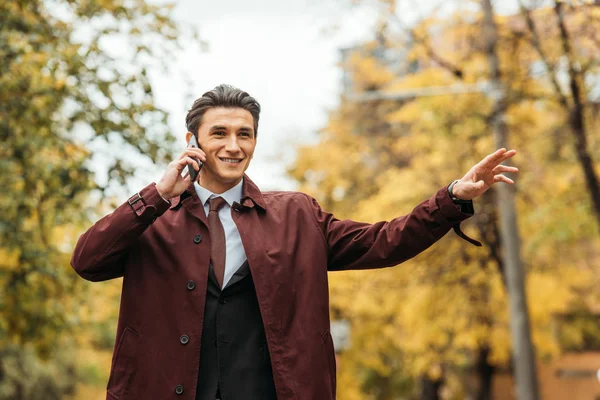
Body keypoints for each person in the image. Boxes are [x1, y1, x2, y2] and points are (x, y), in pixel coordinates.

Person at [71, 84, 518, 400]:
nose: (233, 146)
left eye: (244, 134)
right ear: (193, 142)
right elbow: (87, 260)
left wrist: (452, 197)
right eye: (220, 134)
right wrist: (155, 195)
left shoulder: (297, 215)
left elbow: (384, 241)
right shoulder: (152, 217)